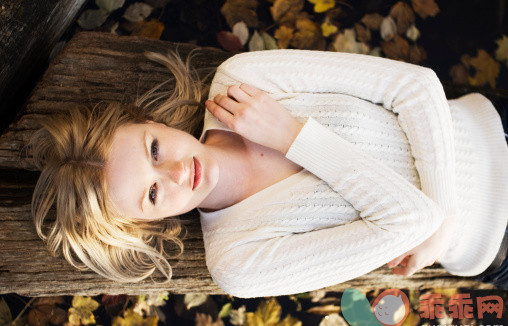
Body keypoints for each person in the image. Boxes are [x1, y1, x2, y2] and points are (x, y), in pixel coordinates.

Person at [28, 48, 508, 298]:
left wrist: (442, 215)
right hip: (498, 239)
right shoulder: (238, 261)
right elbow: (410, 222)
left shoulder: (241, 82)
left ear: (149, 121)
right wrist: (295, 137)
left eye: (154, 149)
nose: (177, 172)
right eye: (152, 194)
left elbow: (415, 85)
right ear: (143, 225)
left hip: (493, 129)